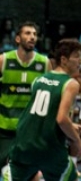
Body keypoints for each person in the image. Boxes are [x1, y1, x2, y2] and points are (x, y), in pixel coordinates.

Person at [8, 39, 81, 181]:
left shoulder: (39, 79)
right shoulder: (71, 84)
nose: (80, 60)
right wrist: (77, 140)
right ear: (63, 60)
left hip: (23, 146)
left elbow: (39, 113)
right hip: (49, 149)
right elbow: (61, 118)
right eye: (76, 56)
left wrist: (71, 124)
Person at [0, 21, 52, 172]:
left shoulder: (44, 63)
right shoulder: (3, 60)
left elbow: (48, 97)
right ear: (17, 39)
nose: (32, 37)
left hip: (30, 130)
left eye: (35, 34)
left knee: (30, 173)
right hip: (4, 128)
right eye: (27, 33)